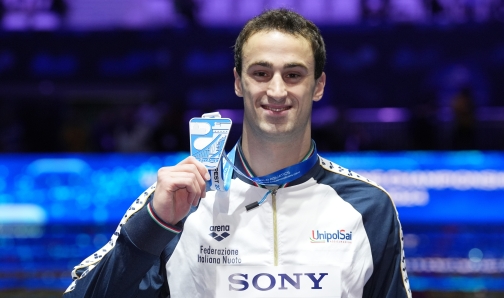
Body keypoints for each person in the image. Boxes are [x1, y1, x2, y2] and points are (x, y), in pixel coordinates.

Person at [64, 8, 411, 297]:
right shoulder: (178, 201)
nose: (277, 90)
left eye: (293, 74)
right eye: (261, 73)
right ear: (237, 81)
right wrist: (154, 224)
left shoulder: (368, 207)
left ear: (318, 85)